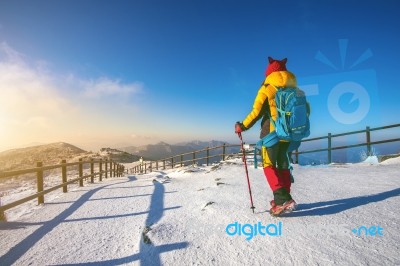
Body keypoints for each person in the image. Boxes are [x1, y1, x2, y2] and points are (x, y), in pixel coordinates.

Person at [235, 57, 298, 216]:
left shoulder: (267, 88)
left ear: (269, 72)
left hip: (271, 133)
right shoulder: (294, 90)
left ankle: (282, 200)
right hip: (289, 134)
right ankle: (284, 198)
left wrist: (242, 126)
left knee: (269, 165)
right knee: (283, 165)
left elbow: (256, 113)